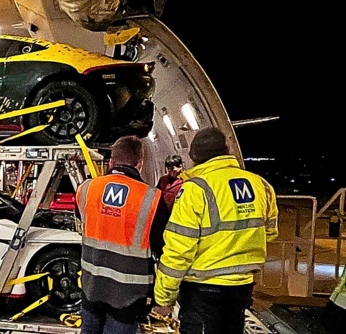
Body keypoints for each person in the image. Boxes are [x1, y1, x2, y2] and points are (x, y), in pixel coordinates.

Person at [153, 128, 279, 334]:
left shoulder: (195, 189)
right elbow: (270, 233)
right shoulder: (261, 185)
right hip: (243, 285)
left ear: (194, 158)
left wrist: (164, 298)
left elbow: (179, 250)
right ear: (226, 150)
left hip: (203, 289)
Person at [76, 136, 170, 334]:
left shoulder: (86, 189)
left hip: (91, 285)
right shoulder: (152, 198)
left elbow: (82, 218)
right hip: (129, 293)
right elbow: (161, 245)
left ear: (111, 161)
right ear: (140, 164)